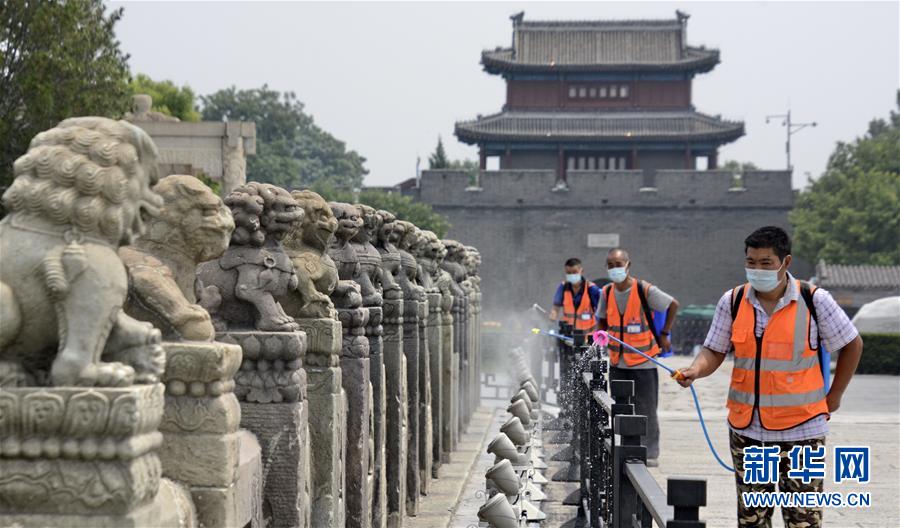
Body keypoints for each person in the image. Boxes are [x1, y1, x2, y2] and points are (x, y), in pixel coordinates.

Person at [675, 226, 863, 528]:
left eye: (766, 263)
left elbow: (852, 344)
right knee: (752, 519)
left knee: (803, 520)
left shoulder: (814, 300)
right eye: (751, 262)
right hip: (749, 431)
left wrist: (836, 395)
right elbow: (714, 349)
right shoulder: (733, 301)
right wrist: (695, 370)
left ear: (785, 262)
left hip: (802, 432)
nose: (757, 270)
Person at [596, 248, 679, 466]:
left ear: (628, 265)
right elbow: (601, 319)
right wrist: (600, 336)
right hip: (618, 361)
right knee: (621, 408)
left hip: (643, 361)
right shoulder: (606, 292)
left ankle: (650, 452)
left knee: (646, 409)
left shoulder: (644, 290)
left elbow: (673, 304)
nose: (615, 268)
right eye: (610, 265)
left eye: (618, 264)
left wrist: (665, 333)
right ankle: (627, 449)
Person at [549, 258, 601, 418]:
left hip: (588, 341)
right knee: (566, 373)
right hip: (567, 339)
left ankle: (588, 413)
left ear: (581, 271)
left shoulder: (592, 290)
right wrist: (553, 314)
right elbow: (556, 307)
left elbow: (602, 313)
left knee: (588, 375)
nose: (571, 275)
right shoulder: (563, 287)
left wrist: (594, 332)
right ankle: (566, 409)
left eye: (574, 272)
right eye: (568, 273)